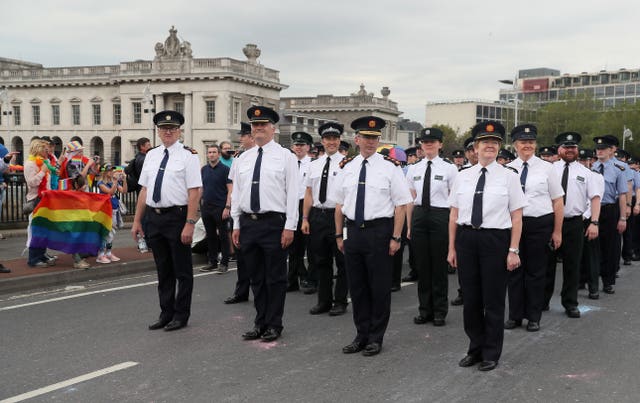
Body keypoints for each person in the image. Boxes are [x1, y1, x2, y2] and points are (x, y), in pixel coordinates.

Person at [447, 121, 526, 372]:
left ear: (499, 148)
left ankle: (491, 352)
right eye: (485, 143)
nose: (490, 146)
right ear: (475, 147)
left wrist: (513, 250)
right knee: (471, 299)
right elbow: (453, 215)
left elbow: (517, 217)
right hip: (467, 239)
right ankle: (475, 348)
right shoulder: (462, 176)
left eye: (494, 143)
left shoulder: (509, 177)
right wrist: (452, 248)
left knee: (492, 299)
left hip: (495, 240)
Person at [334, 116, 412, 357]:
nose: (370, 142)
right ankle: (361, 334)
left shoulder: (390, 167)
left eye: (374, 138)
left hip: (380, 232)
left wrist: (396, 237)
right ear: (356, 139)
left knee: (378, 288)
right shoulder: (347, 167)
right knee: (357, 288)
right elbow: (339, 204)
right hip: (353, 232)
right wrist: (339, 235)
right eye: (366, 138)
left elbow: (401, 205)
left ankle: (375, 338)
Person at [230, 106, 299, 342]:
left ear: (273, 128)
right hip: (249, 223)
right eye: (255, 125)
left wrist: (290, 226)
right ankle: (260, 322)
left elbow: (292, 194)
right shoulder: (243, 158)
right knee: (256, 277)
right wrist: (236, 224)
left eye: (263, 125)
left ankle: (274, 323)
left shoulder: (286, 157)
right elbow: (237, 193)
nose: (259, 128)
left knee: (275, 278)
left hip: (274, 223)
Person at [132, 110, 202, 332]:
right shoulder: (151, 155)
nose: (168, 132)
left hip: (177, 217)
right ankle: (166, 313)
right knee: (163, 270)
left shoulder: (188, 156)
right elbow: (144, 190)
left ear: (179, 131)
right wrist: (137, 221)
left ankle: (181, 315)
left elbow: (194, 191)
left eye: (172, 129)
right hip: (155, 217)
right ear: (158, 131)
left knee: (182, 270)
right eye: (164, 128)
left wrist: (190, 223)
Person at [505, 125, 563, 331]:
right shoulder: (507, 168)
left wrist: (557, 231)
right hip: (514, 225)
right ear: (515, 145)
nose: (527, 145)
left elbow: (557, 202)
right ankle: (515, 315)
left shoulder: (548, 168)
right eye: (522, 142)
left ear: (535, 144)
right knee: (514, 270)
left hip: (540, 224)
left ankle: (533, 317)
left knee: (536, 272)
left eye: (530, 142)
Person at [542, 133, 601, 315]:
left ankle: (570, 303)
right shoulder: (548, 169)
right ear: (559, 150)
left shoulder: (586, 173)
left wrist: (594, 222)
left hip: (574, 223)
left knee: (572, 265)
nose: (570, 150)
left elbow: (595, 198)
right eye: (566, 147)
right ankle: (542, 300)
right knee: (546, 265)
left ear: (577, 150)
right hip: (550, 222)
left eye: (573, 147)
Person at [405, 127, 458, 327]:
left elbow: (454, 200)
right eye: (425, 142)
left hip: (440, 215)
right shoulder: (414, 168)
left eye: (433, 141)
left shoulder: (449, 168)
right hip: (419, 216)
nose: (428, 145)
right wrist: (409, 226)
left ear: (440, 145)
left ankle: (439, 311)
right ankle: (424, 310)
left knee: (438, 266)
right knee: (422, 266)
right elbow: (410, 200)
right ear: (421, 145)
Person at [301, 122, 349, 316]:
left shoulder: (347, 164)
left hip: (338, 216)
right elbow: (309, 193)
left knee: (342, 261)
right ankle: (324, 300)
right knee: (321, 261)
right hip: (318, 216)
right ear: (322, 141)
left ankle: (340, 301)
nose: (332, 142)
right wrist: (305, 218)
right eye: (328, 139)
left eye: (335, 139)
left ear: (339, 141)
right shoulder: (314, 165)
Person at [591, 136, 628, 295]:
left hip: (610, 210)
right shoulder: (592, 168)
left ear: (610, 151)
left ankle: (608, 281)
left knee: (611, 247)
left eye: (603, 149)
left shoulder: (618, 169)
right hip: (594, 210)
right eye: (598, 149)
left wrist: (622, 218)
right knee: (593, 247)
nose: (599, 151)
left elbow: (622, 195)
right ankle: (591, 282)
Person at [224, 122, 254, 304]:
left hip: (258, 213)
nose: (241, 139)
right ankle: (241, 291)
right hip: (242, 212)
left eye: (243, 135)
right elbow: (233, 186)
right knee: (242, 256)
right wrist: (230, 206)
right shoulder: (238, 158)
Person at [287, 131, 314, 293]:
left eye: (302, 145)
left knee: (308, 245)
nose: (299, 148)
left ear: (308, 147)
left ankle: (308, 277)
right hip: (290, 205)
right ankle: (292, 280)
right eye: (296, 145)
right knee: (292, 246)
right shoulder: (288, 163)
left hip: (306, 205)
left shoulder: (312, 164)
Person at [199, 144, 232, 274]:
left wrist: (227, 207)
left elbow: (230, 189)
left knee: (223, 236)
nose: (211, 154)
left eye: (214, 152)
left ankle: (224, 263)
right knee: (210, 235)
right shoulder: (203, 170)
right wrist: (197, 204)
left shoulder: (225, 170)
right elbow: (201, 188)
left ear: (218, 154)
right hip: (206, 207)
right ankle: (212, 262)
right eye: (209, 152)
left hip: (220, 207)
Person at [24, 139, 56, 268]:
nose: (47, 151)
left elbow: (47, 181)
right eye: (45, 149)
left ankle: (41, 254)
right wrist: (43, 171)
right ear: (38, 149)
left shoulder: (43, 162)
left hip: (45, 198)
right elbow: (32, 183)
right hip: (35, 199)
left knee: (44, 229)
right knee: (36, 229)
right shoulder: (30, 164)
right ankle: (33, 258)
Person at [96, 164, 127, 263]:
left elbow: (124, 191)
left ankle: (108, 252)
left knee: (111, 233)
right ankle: (100, 255)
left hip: (114, 210)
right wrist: (115, 182)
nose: (111, 172)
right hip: (105, 211)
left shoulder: (113, 182)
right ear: (104, 172)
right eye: (109, 170)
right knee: (106, 232)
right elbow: (110, 192)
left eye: (112, 170)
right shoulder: (101, 183)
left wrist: (125, 180)